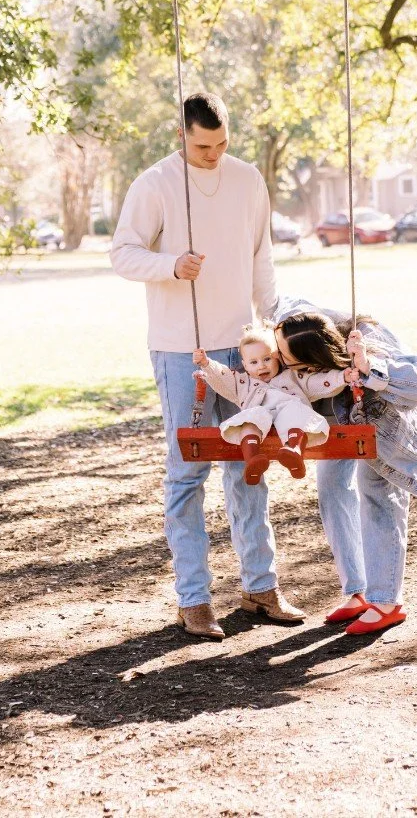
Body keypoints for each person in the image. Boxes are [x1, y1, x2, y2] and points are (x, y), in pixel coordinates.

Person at [110, 91, 305, 641]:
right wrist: (171, 264)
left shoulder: (247, 181)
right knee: (187, 472)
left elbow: (260, 255)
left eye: (221, 144)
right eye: (202, 145)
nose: (213, 153)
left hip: (244, 345)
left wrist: (275, 327)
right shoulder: (155, 183)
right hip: (181, 348)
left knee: (250, 467)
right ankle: (193, 600)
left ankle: (260, 587)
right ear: (182, 136)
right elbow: (122, 253)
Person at [273, 298, 417, 635]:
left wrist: (369, 366)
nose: (278, 359)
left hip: (382, 421)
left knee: (375, 492)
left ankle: (387, 601)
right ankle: (357, 590)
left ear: (312, 358)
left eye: (284, 357)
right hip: (338, 422)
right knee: (331, 488)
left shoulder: (367, 336)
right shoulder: (290, 328)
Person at [192, 322, 353, 482]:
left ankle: (294, 450)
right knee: (251, 417)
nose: (261, 366)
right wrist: (206, 364)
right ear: (244, 365)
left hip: (291, 425)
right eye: (254, 362)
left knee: (295, 409)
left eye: (267, 359)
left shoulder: (293, 377)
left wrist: (342, 377)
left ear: (278, 357)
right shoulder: (241, 383)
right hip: (259, 424)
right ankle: (253, 458)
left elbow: (317, 382)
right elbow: (223, 376)